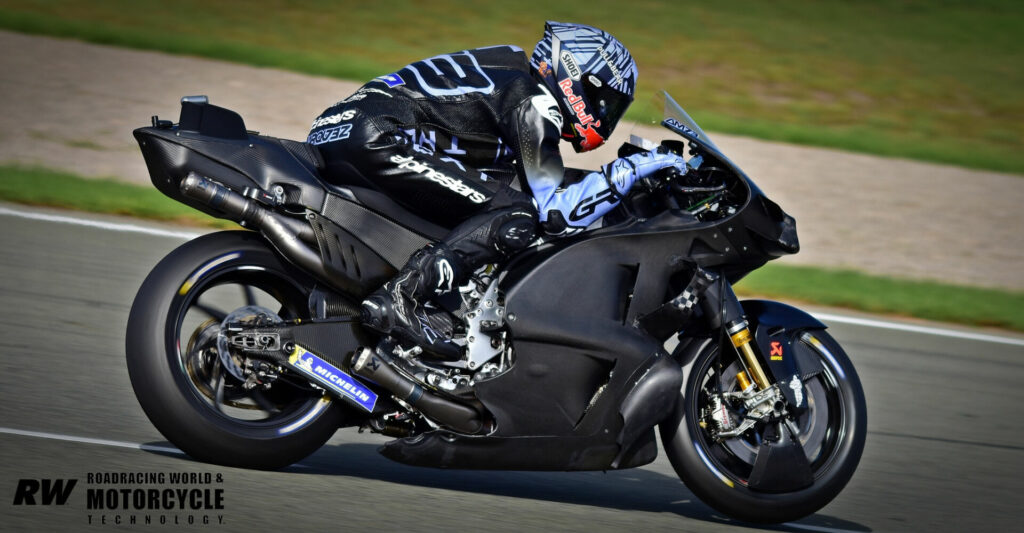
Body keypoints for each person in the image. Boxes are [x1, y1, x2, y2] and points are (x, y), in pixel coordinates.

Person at [308, 21, 688, 361]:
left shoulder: (509, 78)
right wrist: (629, 169)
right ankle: (403, 298)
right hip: (381, 135)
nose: (605, 115)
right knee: (517, 215)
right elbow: (555, 214)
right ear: (577, 76)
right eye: (605, 100)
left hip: (342, 128)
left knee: (492, 202)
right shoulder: (535, 98)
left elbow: (505, 173)